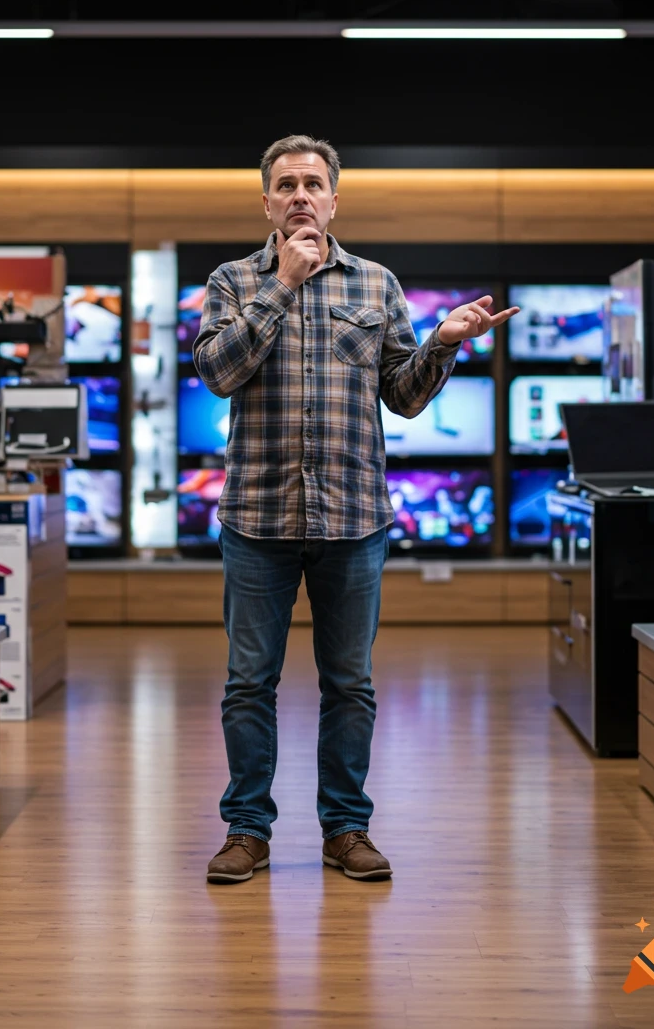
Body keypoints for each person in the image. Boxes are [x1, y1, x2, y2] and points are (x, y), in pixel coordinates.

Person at [193, 134, 519, 884]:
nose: (301, 195)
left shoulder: (376, 283)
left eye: (314, 183)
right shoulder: (234, 279)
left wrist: (440, 343)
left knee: (350, 683)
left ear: (335, 199)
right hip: (257, 520)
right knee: (249, 683)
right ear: (266, 202)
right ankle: (247, 830)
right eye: (287, 185)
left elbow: (403, 398)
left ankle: (346, 828)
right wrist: (281, 284)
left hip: (354, 519)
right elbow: (216, 372)